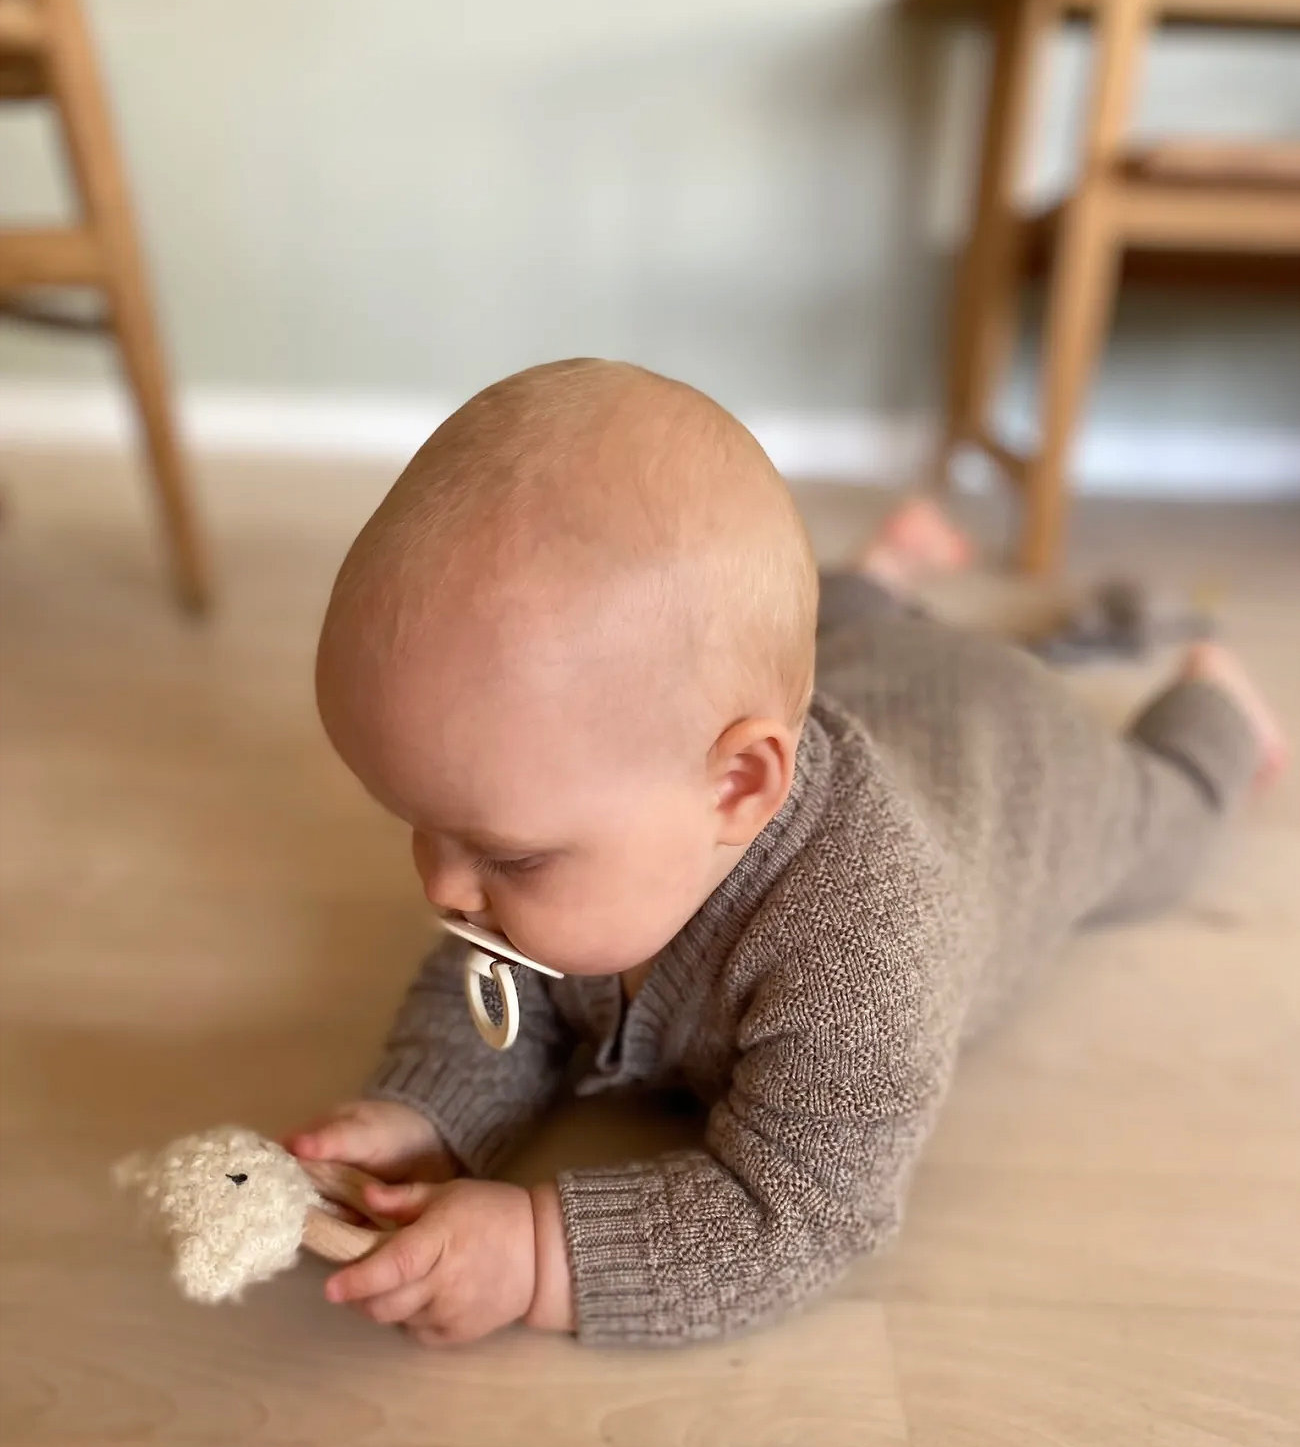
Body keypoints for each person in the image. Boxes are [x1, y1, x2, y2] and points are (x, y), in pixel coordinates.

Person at [287, 359, 1287, 1347]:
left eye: (510, 857)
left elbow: (798, 1209)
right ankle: (873, 581)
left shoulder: (866, 951)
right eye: (416, 822)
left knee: (1171, 825)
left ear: (735, 786)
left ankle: (1218, 701)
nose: (443, 886)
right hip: (869, 674)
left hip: (1018, 759)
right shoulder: (610, 805)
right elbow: (498, 995)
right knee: (791, 635)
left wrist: (537, 1256)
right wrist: (429, 1114)